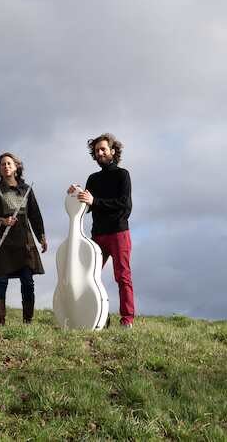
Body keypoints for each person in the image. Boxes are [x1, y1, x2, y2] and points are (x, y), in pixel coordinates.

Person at [68, 133, 134, 328]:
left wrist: (95, 201)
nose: (100, 153)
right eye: (97, 151)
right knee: (88, 276)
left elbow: (125, 205)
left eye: (103, 149)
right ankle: (100, 316)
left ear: (113, 151)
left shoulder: (123, 175)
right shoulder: (93, 179)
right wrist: (75, 194)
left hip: (119, 233)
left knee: (122, 276)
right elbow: (86, 207)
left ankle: (127, 320)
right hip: (97, 235)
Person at [0, 152, 47, 325]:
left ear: (16, 166)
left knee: (28, 281)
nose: (6, 166)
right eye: (2, 164)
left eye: (9, 163)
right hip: (2, 244)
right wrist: (3, 221)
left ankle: (28, 321)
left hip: (24, 243)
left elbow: (35, 215)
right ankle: (0, 322)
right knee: (1, 281)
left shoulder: (27, 190)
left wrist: (41, 237)